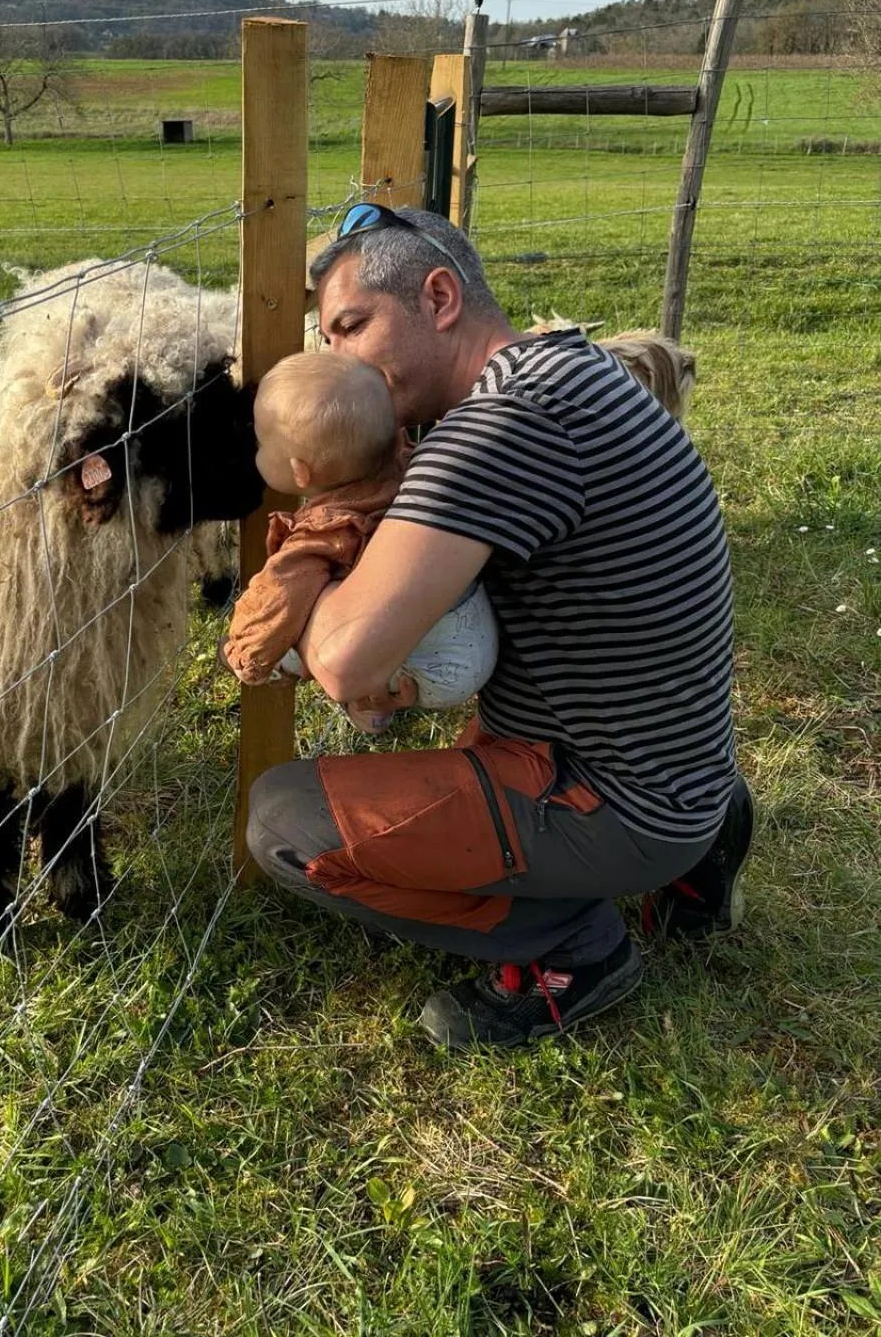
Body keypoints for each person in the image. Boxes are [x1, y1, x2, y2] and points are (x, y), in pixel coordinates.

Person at [245, 203, 753, 1050]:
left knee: (283, 819)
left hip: (622, 797)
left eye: (350, 328)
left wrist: (308, 550)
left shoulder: (500, 428)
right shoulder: (565, 372)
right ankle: (698, 847)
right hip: (677, 765)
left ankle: (574, 947)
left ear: (439, 298)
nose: (337, 362)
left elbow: (342, 662)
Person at [220, 349, 498, 720]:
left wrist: (244, 652)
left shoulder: (321, 534)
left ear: (300, 473)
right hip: (478, 634)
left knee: (296, 612)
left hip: (431, 662)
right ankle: (375, 701)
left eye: (261, 445)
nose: (256, 452)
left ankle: (368, 693)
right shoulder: (415, 464)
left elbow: (275, 601)